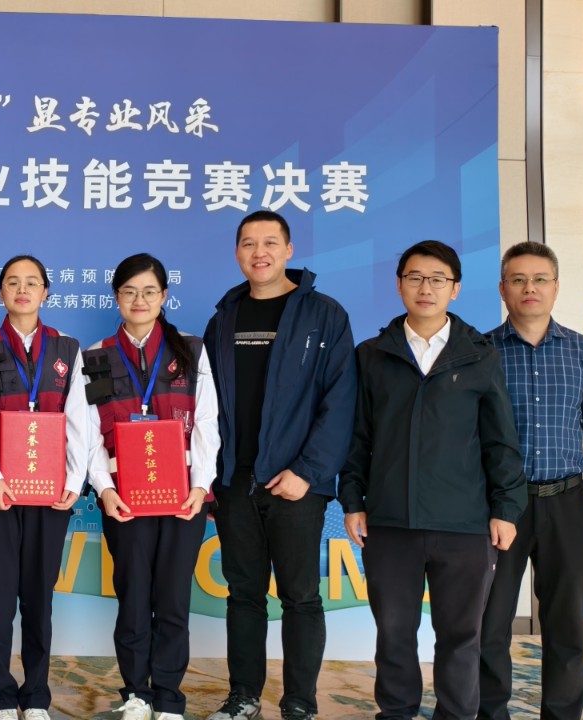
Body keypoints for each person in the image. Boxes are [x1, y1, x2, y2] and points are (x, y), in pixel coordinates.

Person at [340, 240, 526, 720]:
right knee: (394, 633)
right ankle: (396, 713)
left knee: (461, 637)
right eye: (416, 277)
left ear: (455, 289)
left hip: (464, 524)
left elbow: (500, 442)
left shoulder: (479, 356)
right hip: (390, 522)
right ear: (399, 284)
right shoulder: (371, 355)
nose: (426, 288)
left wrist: (506, 509)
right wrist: (352, 500)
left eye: (438, 279)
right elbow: (357, 437)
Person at [202, 211, 356, 720]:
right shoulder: (224, 318)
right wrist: (213, 477)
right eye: (248, 243)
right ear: (237, 253)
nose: (259, 252)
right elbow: (207, 406)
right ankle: (243, 696)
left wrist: (308, 472)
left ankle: (299, 703)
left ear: (289, 250)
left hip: (296, 484)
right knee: (243, 595)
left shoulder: (324, 314)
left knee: (300, 596)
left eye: (270, 242)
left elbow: (340, 401)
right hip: (235, 481)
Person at [478, 242, 583, 720]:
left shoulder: (582, 351)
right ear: (503, 289)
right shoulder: (480, 352)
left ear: (556, 287)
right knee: (489, 624)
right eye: (518, 279)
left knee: (566, 627)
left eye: (540, 279)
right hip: (499, 506)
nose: (529, 288)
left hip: (567, 502)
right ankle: (490, 712)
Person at [82, 253, 219, 720]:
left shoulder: (191, 350)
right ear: (116, 297)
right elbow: (89, 434)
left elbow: (207, 423)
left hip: (183, 497)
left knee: (173, 601)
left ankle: (169, 698)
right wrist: (104, 489)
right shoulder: (96, 357)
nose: (138, 300)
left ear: (164, 296)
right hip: (125, 499)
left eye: (148, 291)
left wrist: (200, 487)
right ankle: (136, 694)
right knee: (134, 599)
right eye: (129, 291)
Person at [0, 255, 89, 720]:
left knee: (39, 598)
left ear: (45, 292)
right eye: (12, 282)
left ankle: (35, 696)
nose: (22, 290)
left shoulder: (67, 348)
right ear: (0, 292)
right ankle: (0, 697)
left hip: (50, 493)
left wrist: (73, 480)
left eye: (31, 282)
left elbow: (79, 418)